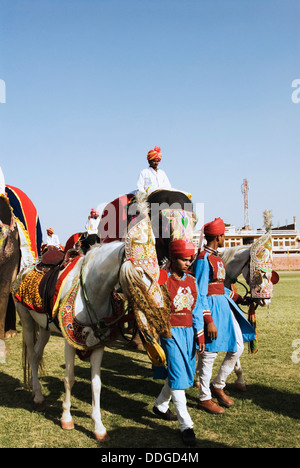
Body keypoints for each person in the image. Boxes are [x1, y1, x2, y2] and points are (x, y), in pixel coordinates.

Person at [193, 218, 256, 414]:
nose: (224, 239)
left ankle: (218, 384)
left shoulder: (218, 258)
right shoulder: (203, 259)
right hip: (211, 310)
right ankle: (204, 397)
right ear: (218, 236)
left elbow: (220, 288)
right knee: (209, 355)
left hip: (224, 307)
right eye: (223, 236)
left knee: (237, 346)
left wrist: (239, 298)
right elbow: (200, 292)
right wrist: (208, 320)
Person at [153, 239, 205, 447]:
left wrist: (199, 334)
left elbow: (198, 307)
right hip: (169, 333)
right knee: (177, 375)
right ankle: (186, 425)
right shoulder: (162, 279)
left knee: (182, 374)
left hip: (189, 333)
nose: (188, 263)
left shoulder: (192, 281)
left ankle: (160, 406)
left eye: (190, 259)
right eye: (184, 259)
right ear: (173, 259)